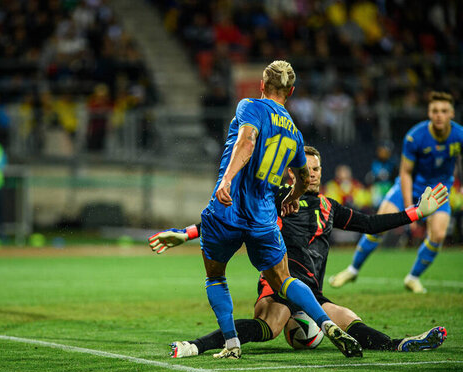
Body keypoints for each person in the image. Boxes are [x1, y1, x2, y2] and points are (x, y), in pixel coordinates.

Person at [149, 146, 448, 358]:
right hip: (279, 280)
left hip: (311, 290)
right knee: (272, 325)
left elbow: (370, 223)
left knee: (342, 319)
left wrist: (416, 213)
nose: (313, 174)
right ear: (293, 173)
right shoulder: (275, 198)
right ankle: (196, 345)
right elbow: (227, 219)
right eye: (307, 169)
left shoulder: (330, 207)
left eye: (317, 168)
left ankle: (399, 345)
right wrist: (185, 233)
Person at [195, 60, 361, 359]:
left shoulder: (251, 106)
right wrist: (292, 198)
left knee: (216, 276)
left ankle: (232, 344)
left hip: (227, 210)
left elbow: (246, 141)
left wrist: (227, 180)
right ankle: (325, 323)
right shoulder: (295, 133)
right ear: (292, 91)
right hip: (263, 218)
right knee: (283, 280)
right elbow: (302, 178)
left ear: (262, 85)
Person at [330, 91, 463, 294]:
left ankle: (413, 277)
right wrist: (412, 207)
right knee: (380, 223)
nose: (439, 115)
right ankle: (352, 269)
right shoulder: (415, 137)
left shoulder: (459, 135)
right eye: (435, 110)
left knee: (438, 234)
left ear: (452, 113)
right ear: (428, 112)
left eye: (444, 111)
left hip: (439, 191)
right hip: (409, 187)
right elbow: (406, 172)